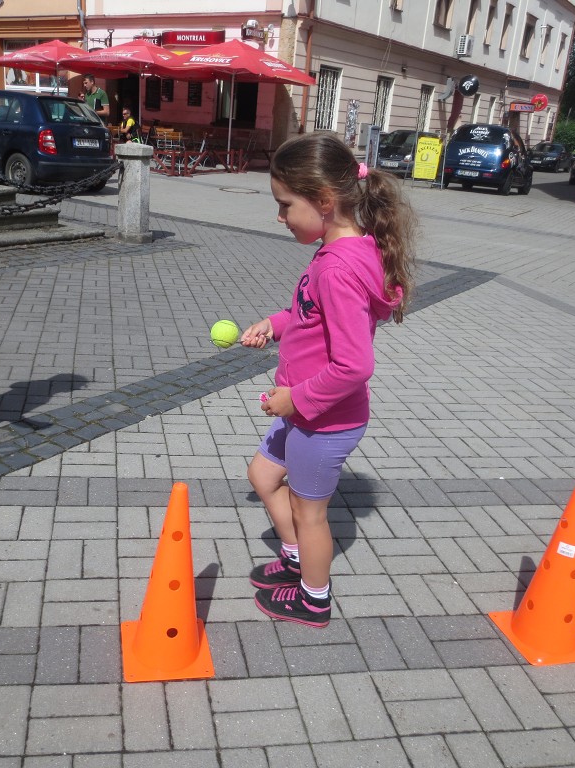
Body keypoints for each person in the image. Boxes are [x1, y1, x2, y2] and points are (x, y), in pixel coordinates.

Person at [239, 132, 418, 628]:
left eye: (284, 205)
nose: (280, 218)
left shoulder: (338, 268)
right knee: (262, 475)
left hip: (325, 420)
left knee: (309, 513)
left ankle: (313, 598)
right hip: (305, 413)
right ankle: (296, 560)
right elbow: (309, 315)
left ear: (322, 201)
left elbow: (354, 366)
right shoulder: (340, 251)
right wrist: (275, 325)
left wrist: (295, 398)